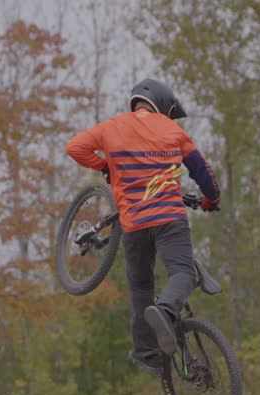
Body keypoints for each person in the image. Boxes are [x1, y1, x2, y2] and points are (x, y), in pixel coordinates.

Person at [65, 78, 221, 376]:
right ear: (162, 104)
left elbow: (75, 148)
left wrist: (104, 166)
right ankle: (164, 312)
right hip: (168, 218)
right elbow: (201, 170)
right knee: (183, 272)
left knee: (141, 286)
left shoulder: (111, 127)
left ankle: (146, 353)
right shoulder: (172, 129)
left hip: (134, 223)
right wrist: (211, 200)